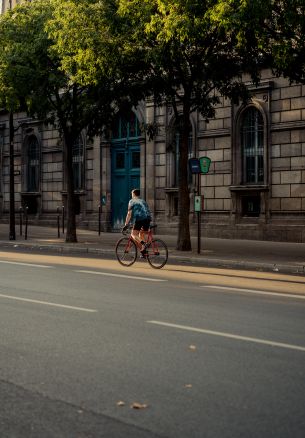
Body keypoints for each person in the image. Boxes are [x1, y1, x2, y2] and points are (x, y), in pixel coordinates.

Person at [123, 189, 151, 256]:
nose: (131, 195)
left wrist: (126, 224)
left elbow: (129, 214)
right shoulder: (143, 201)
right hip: (148, 219)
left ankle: (144, 244)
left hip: (139, 219)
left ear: (134, 194)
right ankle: (143, 251)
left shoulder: (132, 201)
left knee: (133, 234)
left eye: (132, 194)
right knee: (141, 234)